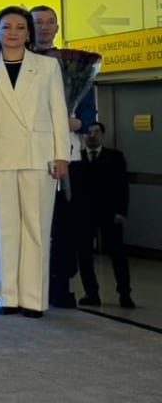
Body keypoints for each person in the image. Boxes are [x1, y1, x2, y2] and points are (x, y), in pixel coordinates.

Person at [0, 6, 70, 318]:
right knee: (3, 228)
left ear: (28, 33)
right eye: (6, 27)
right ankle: (7, 296)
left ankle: (34, 299)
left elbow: (58, 112)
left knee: (36, 228)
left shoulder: (47, 67)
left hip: (38, 154)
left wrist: (61, 154)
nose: (13, 32)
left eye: (20, 27)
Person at [29, 4, 97, 308]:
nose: (44, 27)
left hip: (69, 159)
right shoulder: (20, 63)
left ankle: (62, 283)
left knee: (66, 226)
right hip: (31, 156)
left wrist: (67, 119)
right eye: (38, 22)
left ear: (57, 27)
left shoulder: (76, 67)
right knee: (34, 224)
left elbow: (86, 116)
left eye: (49, 22)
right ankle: (32, 284)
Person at [78, 121, 134, 308]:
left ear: (102, 135)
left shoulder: (115, 157)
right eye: (89, 132)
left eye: (96, 132)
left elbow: (122, 186)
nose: (92, 135)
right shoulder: (77, 159)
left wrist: (121, 211)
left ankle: (125, 294)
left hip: (110, 213)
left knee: (117, 254)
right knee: (85, 255)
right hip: (85, 214)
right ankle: (91, 293)